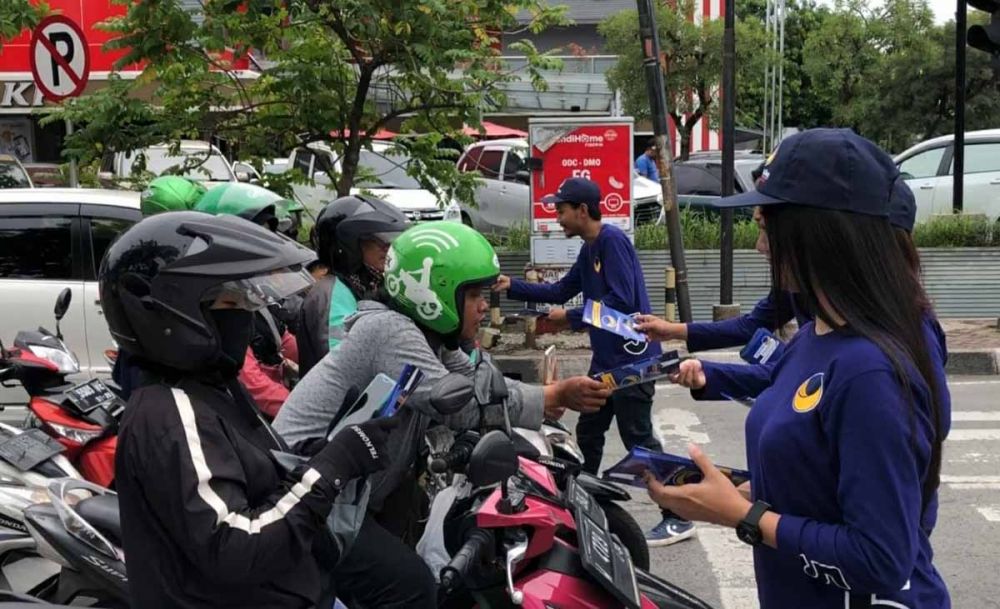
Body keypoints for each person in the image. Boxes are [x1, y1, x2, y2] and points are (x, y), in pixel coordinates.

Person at [642, 129, 950, 609]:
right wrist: (731, 491)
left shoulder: (872, 370)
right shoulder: (814, 336)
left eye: (767, 226)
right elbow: (814, 473)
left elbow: (882, 559)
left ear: (817, 234)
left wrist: (743, 515)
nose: (761, 247)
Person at [274, 221, 610, 608]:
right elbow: (458, 405)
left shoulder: (431, 337)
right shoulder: (389, 332)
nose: (485, 305)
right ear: (434, 292)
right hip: (307, 497)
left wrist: (541, 399)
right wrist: (550, 395)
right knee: (413, 587)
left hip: (350, 492)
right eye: (474, 294)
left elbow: (477, 384)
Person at [101, 211, 399, 608]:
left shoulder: (214, 389)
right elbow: (237, 547)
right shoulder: (171, 413)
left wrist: (324, 451)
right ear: (172, 312)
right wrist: (330, 468)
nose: (244, 316)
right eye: (230, 302)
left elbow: (262, 484)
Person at [493, 177, 693, 547]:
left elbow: (621, 300)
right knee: (588, 432)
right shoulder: (589, 250)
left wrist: (569, 317)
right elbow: (559, 291)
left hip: (631, 361)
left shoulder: (612, 242)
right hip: (606, 363)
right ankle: (580, 505)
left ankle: (678, 515)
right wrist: (512, 286)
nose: (558, 218)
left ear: (582, 210)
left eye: (561, 210)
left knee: (638, 439)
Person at [193, 198, 303, 418]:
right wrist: (302, 412)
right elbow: (251, 382)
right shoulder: (221, 303)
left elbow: (286, 341)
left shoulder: (254, 296)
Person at [297, 195, 409, 377]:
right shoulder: (332, 293)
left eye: (390, 240)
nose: (387, 247)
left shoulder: (366, 286)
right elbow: (343, 369)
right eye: (378, 240)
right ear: (347, 245)